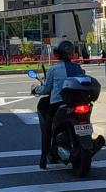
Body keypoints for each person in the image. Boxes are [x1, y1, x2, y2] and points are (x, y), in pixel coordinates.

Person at [32, 40, 85, 168]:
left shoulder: (53, 69)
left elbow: (45, 89)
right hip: (76, 104)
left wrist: (35, 89)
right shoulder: (77, 68)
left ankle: (43, 159)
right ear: (72, 53)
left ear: (57, 55)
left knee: (48, 130)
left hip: (58, 105)